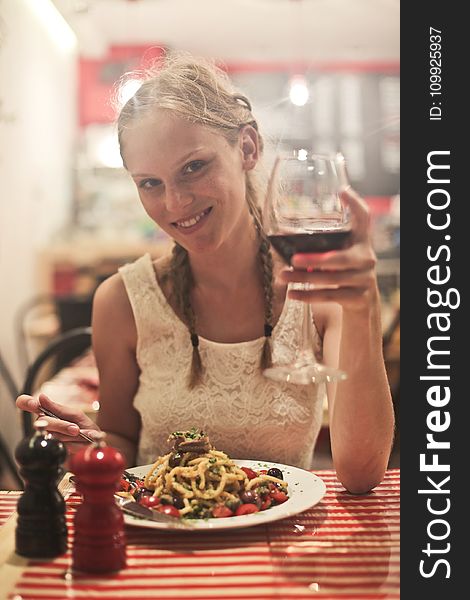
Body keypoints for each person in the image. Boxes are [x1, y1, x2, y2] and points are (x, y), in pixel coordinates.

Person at [17, 52, 395, 494]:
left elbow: (362, 474)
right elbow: (121, 440)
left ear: (247, 148)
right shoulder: (122, 301)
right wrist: (90, 446)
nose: (175, 204)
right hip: (163, 542)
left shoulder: (318, 294)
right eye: (150, 183)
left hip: (279, 547)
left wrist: (363, 304)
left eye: (193, 167)